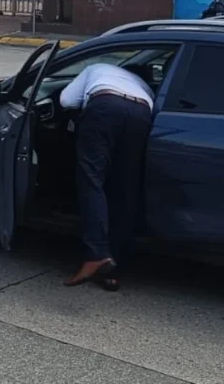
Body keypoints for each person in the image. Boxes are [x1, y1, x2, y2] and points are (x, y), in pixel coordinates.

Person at [58, 62, 154, 291]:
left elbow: (65, 100)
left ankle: (96, 254)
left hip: (104, 107)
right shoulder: (144, 87)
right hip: (141, 115)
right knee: (124, 190)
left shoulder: (97, 68)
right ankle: (114, 269)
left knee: (92, 181)